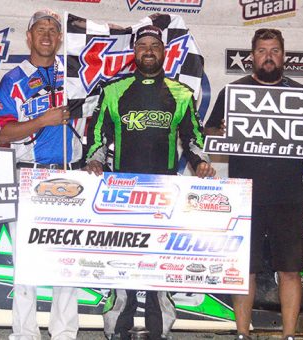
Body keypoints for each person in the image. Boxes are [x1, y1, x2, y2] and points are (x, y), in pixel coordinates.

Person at [84, 25, 216, 340]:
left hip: (166, 194)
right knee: (122, 267)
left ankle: (159, 331)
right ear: (134, 51)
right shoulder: (114, 90)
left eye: (154, 45)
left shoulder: (181, 93)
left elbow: (194, 139)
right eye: (142, 44)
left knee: (162, 268)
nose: (148, 50)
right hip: (121, 193)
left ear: (164, 52)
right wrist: (94, 160)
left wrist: (201, 164)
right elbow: (98, 136)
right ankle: (117, 330)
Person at [205, 28, 303, 340]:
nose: (268, 57)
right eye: (262, 50)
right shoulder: (232, 93)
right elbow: (207, 134)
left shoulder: (301, 95)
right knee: (244, 269)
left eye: (275, 50)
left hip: (288, 194)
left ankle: (289, 335)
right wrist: (219, 130)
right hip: (244, 193)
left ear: (284, 56)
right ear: (252, 57)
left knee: (290, 269)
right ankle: (242, 334)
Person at [0, 9, 80, 340]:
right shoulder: (13, 79)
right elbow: (3, 134)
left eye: (53, 30)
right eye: (40, 29)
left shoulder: (73, 77)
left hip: (69, 176)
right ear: (28, 37)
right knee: (26, 263)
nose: (47, 34)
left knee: (66, 260)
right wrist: (43, 119)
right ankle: (25, 334)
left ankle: (64, 333)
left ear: (60, 39)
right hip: (28, 176)